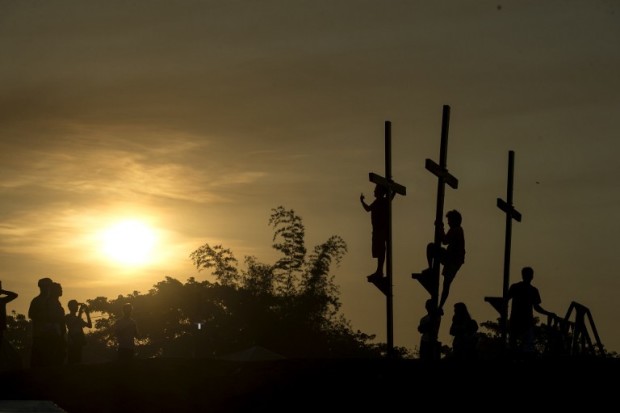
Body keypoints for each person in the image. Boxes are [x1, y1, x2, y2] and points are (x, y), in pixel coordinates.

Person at [507, 266, 555, 355]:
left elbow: (536, 307)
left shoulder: (524, 288)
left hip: (521, 322)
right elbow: (536, 307)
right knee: (521, 347)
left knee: (518, 346)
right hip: (520, 322)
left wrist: (548, 313)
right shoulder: (526, 289)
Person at [426, 209, 465, 313]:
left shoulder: (456, 230)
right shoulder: (457, 230)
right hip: (452, 259)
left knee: (430, 247)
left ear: (454, 220)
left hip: (452, 260)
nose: (448, 222)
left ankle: (440, 306)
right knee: (446, 284)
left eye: (449, 220)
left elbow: (444, 240)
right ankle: (440, 306)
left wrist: (440, 227)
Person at [360, 184, 396, 282]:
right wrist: (362, 201)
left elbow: (391, 197)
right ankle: (379, 270)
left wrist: (394, 190)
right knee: (378, 251)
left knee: (381, 251)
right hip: (376, 230)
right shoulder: (377, 202)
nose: (374, 192)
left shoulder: (383, 201)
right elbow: (368, 209)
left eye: (375, 190)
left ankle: (379, 271)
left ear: (380, 192)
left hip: (381, 230)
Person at [28, 277, 53, 368]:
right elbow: (31, 314)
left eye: (48, 286)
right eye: (45, 286)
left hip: (51, 334)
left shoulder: (52, 301)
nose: (47, 288)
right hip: (40, 333)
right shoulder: (37, 300)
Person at [65, 300, 92, 365]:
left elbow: (89, 325)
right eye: (76, 306)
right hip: (72, 340)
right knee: (72, 360)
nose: (77, 307)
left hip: (78, 340)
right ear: (71, 307)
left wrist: (87, 313)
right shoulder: (67, 317)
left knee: (78, 359)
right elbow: (72, 325)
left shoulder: (78, 318)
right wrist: (80, 313)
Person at [47, 282, 67, 366]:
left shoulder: (56, 302)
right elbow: (53, 319)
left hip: (59, 331)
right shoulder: (52, 302)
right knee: (56, 355)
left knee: (61, 354)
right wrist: (58, 331)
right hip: (55, 332)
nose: (61, 290)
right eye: (59, 289)